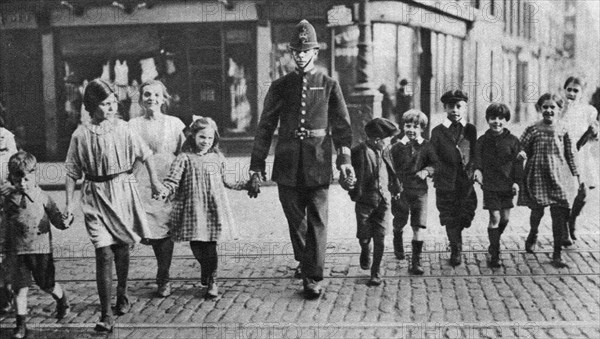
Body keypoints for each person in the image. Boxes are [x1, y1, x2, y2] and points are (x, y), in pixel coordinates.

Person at [248, 19, 354, 299]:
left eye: (306, 50)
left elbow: (343, 128)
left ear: (316, 52)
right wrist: (256, 166)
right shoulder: (281, 85)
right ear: (290, 53)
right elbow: (265, 126)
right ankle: (306, 259)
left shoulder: (329, 84)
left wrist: (345, 162)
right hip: (286, 162)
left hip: (318, 160)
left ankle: (312, 277)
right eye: (296, 50)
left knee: (318, 219)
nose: (301, 55)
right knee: (295, 218)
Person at [64, 78, 162, 332]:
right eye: (104, 105)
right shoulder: (80, 135)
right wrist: (69, 205)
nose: (110, 109)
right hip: (95, 196)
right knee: (103, 253)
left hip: (121, 191)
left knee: (121, 249)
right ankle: (105, 313)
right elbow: (72, 173)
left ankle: (122, 292)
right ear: (90, 106)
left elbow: (146, 155)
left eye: (112, 103)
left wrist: (154, 182)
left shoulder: (124, 128)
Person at [158, 117, 249, 299]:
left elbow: (228, 181)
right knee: (197, 245)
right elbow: (172, 180)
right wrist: (163, 191)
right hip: (192, 209)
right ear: (193, 137)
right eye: (201, 137)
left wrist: (246, 184)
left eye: (209, 138)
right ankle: (206, 268)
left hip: (212, 208)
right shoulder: (184, 158)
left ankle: (213, 279)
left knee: (210, 245)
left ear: (214, 139)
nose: (205, 142)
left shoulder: (217, 158)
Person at [2, 152, 71, 339]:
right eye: (17, 180)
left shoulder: (43, 197)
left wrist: (65, 221)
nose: (22, 183)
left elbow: (57, 219)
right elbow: (4, 223)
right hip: (17, 250)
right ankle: (20, 324)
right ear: (12, 178)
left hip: (40, 250)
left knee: (46, 284)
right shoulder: (8, 199)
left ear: (34, 175)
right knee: (20, 288)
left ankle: (62, 300)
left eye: (26, 178)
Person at [128, 80, 185, 298]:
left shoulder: (175, 124)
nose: (152, 98)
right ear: (141, 99)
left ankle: (164, 276)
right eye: (147, 95)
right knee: (142, 229)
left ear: (163, 99)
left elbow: (183, 155)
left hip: (167, 182)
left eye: (156, 95)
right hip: (141, 182)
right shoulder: (132, 124)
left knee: (164, 231)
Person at [518, 93, 580, 268]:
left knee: (559, 214)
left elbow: (570, 154)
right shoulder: (533, 129)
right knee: (537, 211)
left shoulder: (564, 129)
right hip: (536, 174)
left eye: (553, 107)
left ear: (559, 109)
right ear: (540, 109)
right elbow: (521, 146)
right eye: (545, 107)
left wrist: (576, 176)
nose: (549, 110)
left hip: (558, 176)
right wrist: (521, 154)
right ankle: (533, 233)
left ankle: (557, 253)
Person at [343, 118, 400, 286]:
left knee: (381, 238)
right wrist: (349, 184)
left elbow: (393, 172)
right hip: (365, 202)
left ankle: (376, 271)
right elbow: (347, 175)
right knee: (364, 236)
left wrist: (395, 190)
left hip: (384, 201)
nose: (390, 141)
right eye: (387, 138)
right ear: (376, 139)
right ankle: (365, 248)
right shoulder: (358, 152)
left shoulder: (388, 151)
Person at [430, 90, 477, 267]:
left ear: (464, 108)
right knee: (449, 214)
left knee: (466, 212)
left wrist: (474, 169)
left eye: (459, 106)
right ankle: (455, 248)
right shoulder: (438, 131)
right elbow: (432, 155)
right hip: (445, 180)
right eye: (451, 107)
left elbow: (474, 152)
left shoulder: (470, 129)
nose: (455, 110)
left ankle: (457, 234)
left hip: (465, 180)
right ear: (445, 108)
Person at [473, 103, 522, 268]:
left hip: (507, 185)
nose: (497, 121)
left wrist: (516, 182)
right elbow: (477, 160)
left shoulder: (513, 141)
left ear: (506, 120)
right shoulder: (482, 140)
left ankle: (494, 240)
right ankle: (495, 253)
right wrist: (478, 171)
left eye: (501, 118)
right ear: (487, 119)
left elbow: (517, 164)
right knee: (495, 217)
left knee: (505, 218)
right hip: (490, 185)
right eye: (493, 118)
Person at [390, 110, 437, 274]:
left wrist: (427, 171)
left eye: (415, 127)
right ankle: (397, 235)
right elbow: (390, 168)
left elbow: (435, 164)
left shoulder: (427, 146)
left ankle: (416, 262)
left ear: (422, 129)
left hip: (419, 191)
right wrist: (394, 187)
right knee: (400, 219)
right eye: (408, 126)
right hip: (401, 190)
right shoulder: (396, 147)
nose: (411, 129)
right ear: (403, 127)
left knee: (418, 225)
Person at [560, 76, 599, 243]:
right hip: (563, 155)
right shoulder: (559, 107)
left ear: (582, 93)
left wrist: (594, 131)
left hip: (582, 155)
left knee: (582, 194)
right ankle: (563, 230)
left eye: (576, 90)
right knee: (565, 193)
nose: (572, 93)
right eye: (569, 89)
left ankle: (572, 220)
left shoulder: (589, 110)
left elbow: (595, 134)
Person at [0, 115, 18, 314]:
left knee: (6, 252)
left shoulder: (6, 137)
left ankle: (6, 291)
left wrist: (12, 186)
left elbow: (19, 168)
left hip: (6, 205)